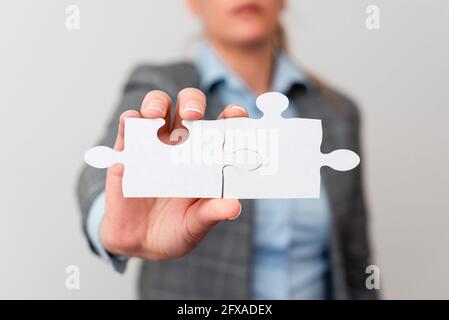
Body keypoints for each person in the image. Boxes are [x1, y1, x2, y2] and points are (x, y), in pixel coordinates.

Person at [77, 0, 377, 300]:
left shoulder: (338, 113)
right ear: (194, 3)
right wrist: (111, 221)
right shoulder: (163, 85)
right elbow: (98, 173)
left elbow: (356, 262)